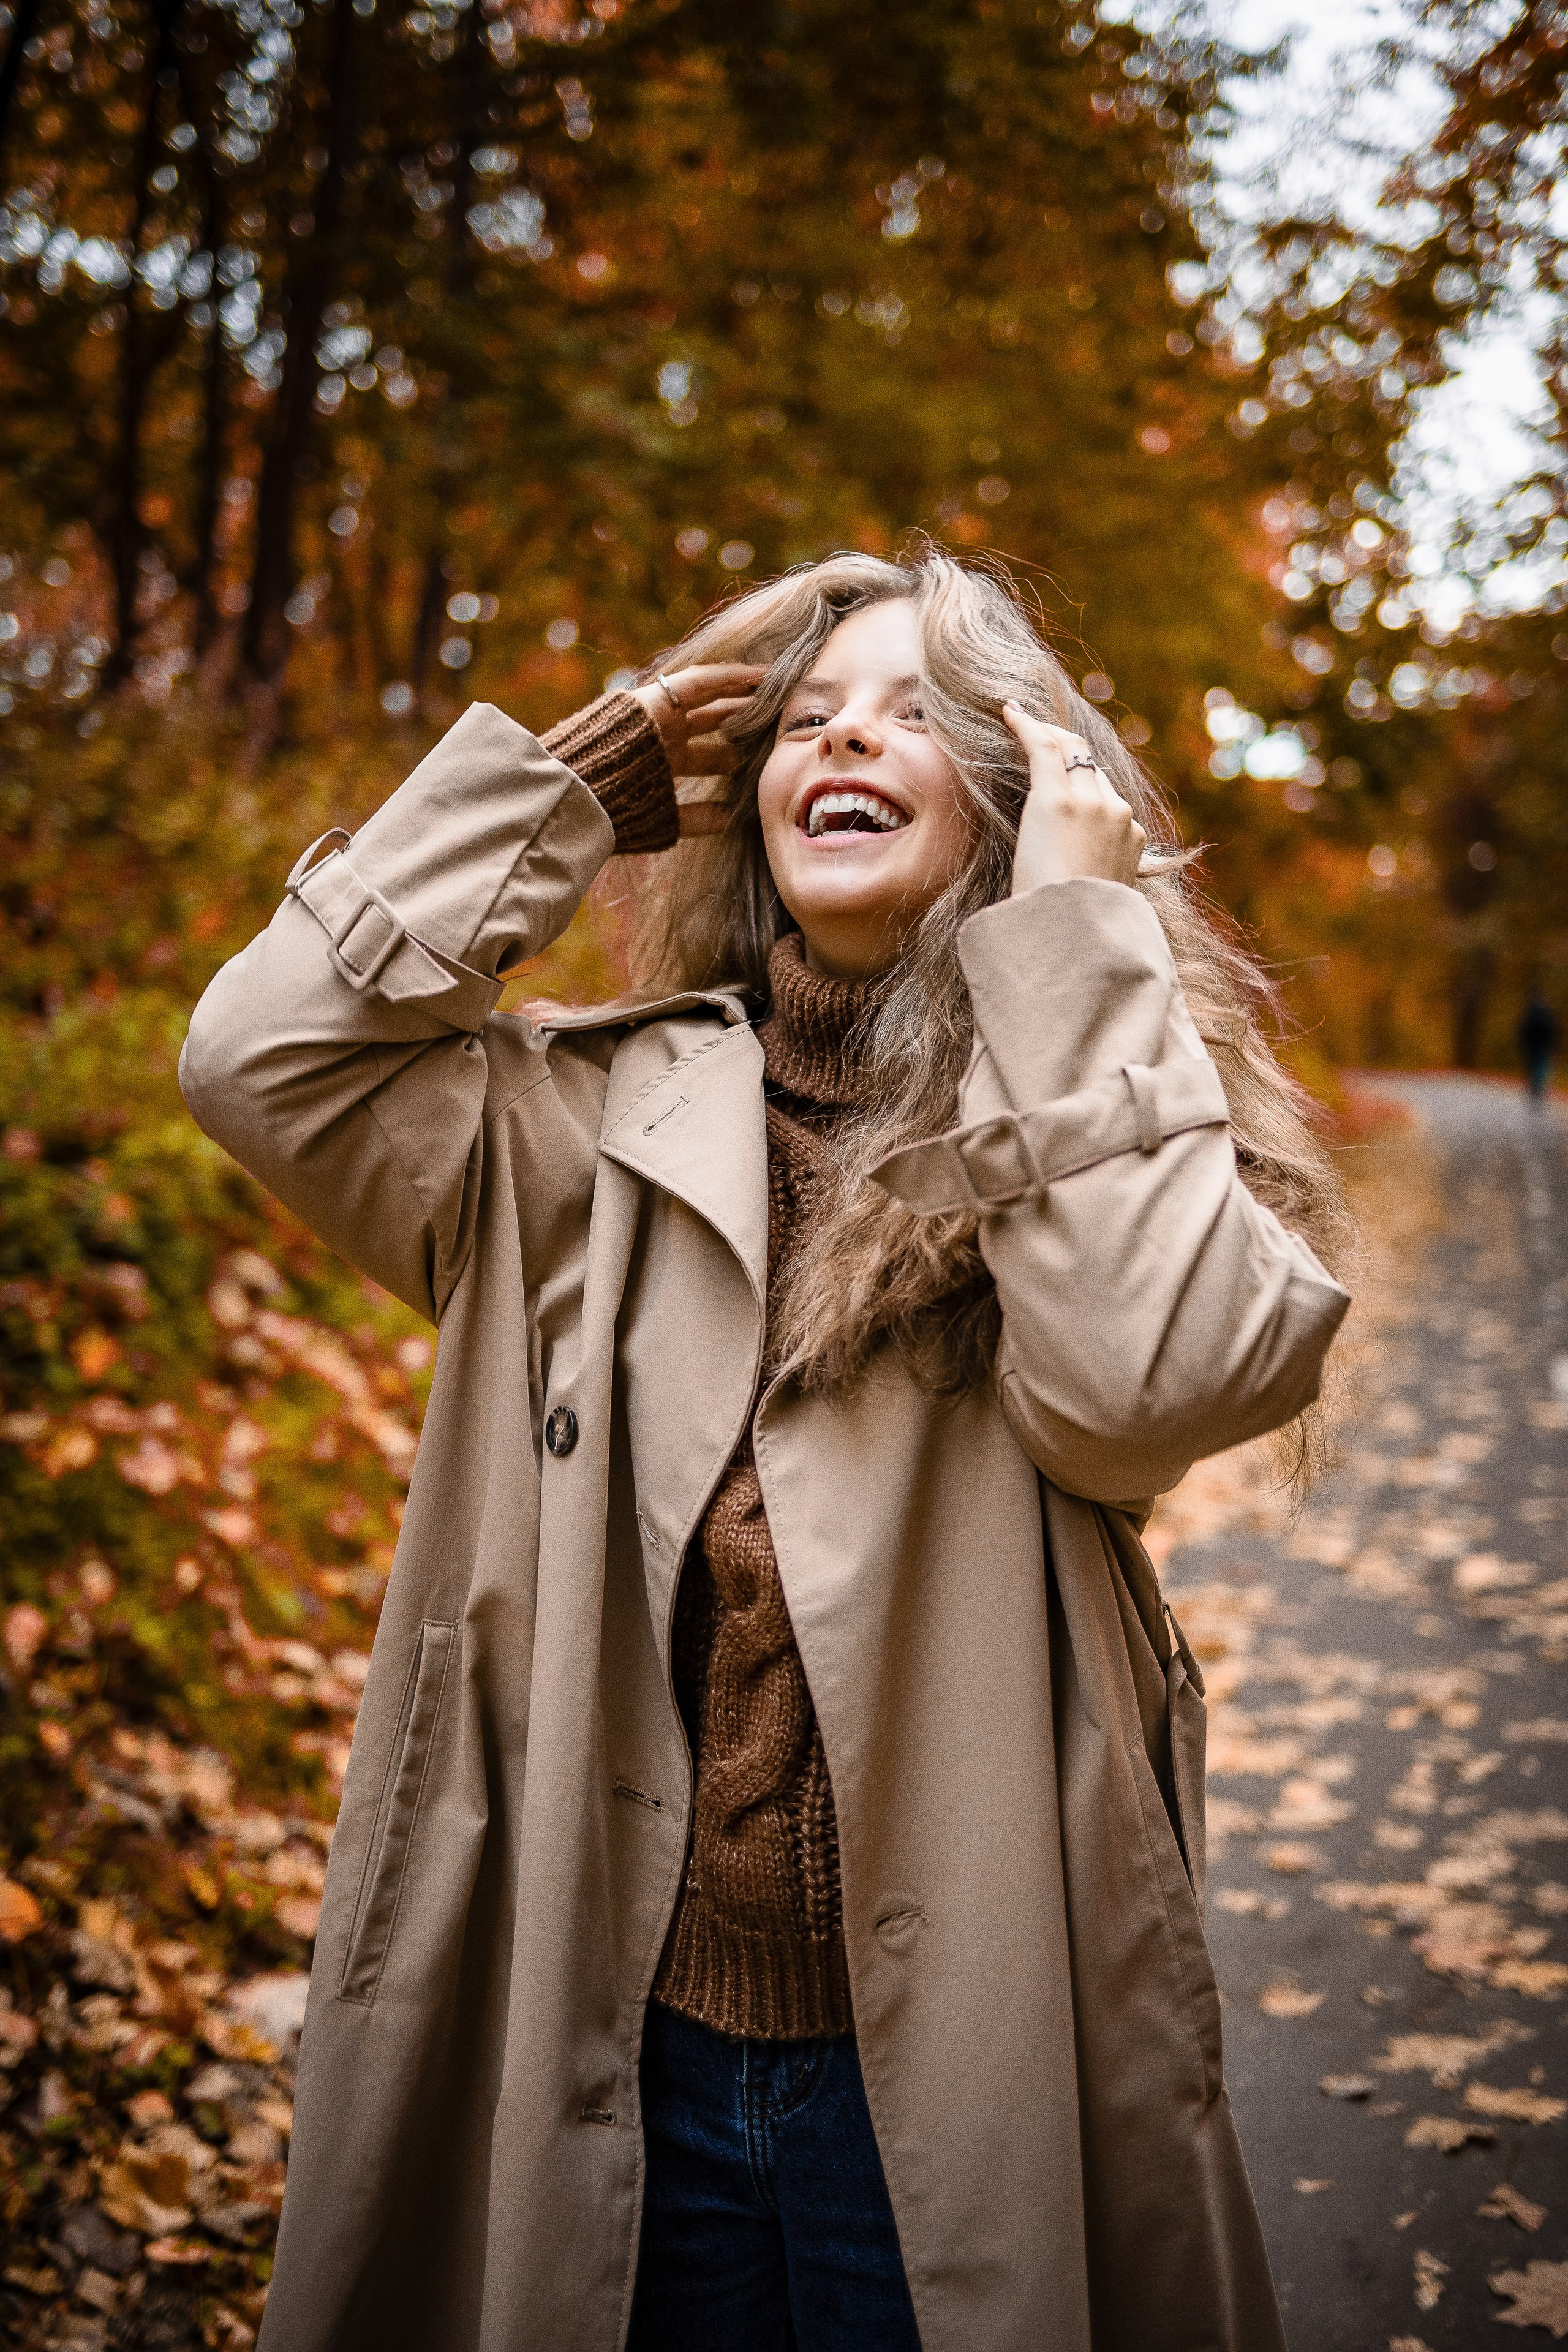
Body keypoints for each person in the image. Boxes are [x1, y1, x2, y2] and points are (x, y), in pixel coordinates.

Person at [181, 549, 1352, 2352]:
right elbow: (263, 1055)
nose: (841, 739)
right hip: (603, 2041)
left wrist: (1061, 954)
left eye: (907, 714)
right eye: (806, 717)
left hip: (956, 2069)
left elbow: (1149, 1386)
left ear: (1023, 807)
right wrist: (564, 793)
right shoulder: (576, 1129)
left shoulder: (1084, 1120)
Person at [1520, 990, 1559, 1102]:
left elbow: (1524, 1031)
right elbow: (1554, 1032)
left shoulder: (1530, 1015)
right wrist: (1554, 1046)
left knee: (1532, 1067)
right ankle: (1538, 1086)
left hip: (1531, 1046)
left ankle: (1534, 1087)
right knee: (1541, 1067)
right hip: (1544, 1047)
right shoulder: (1548, 1016)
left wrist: (1523, 1045)